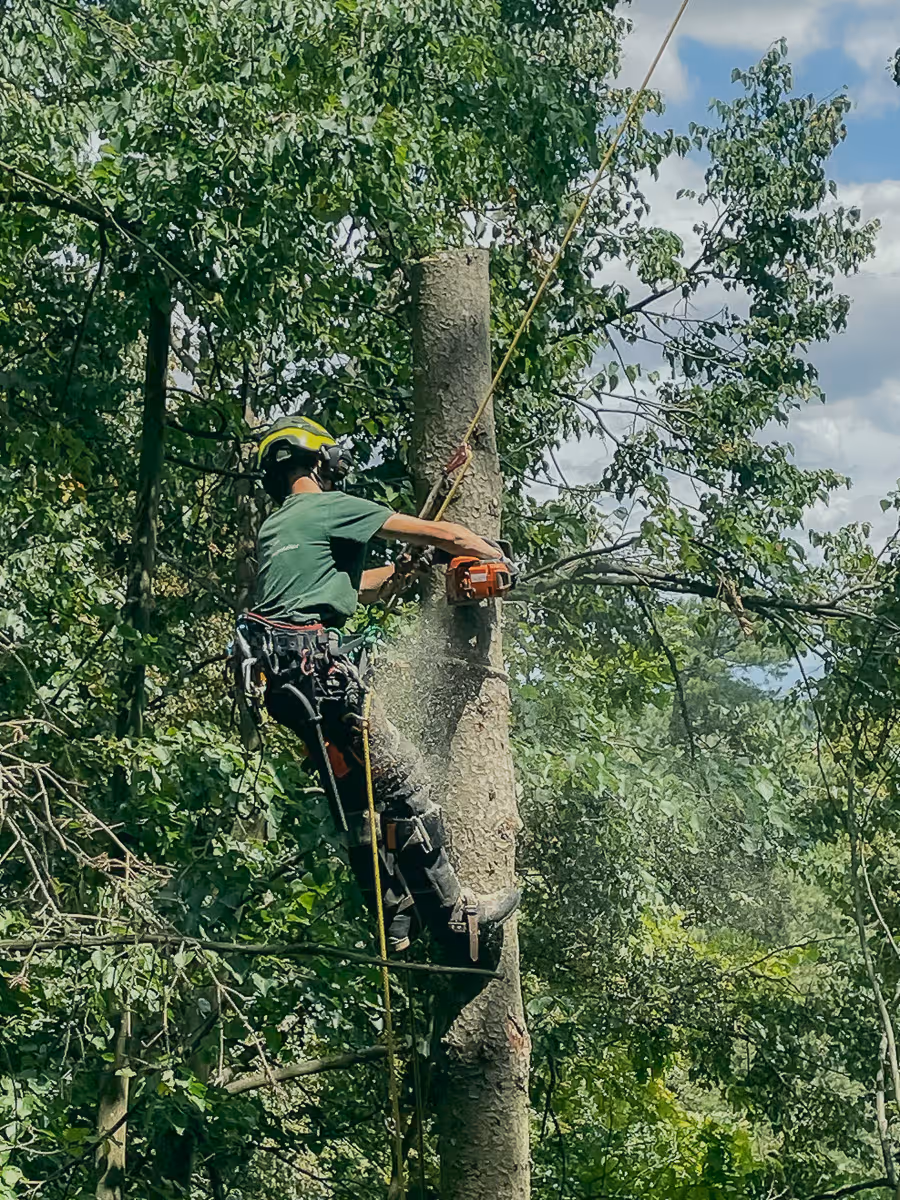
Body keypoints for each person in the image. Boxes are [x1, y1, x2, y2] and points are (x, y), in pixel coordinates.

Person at [234, 414, 520, 960]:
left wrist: (406, 571)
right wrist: (491, 554)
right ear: (319, 460)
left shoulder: (279, 526)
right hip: (321, 674)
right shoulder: (331, 507)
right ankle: (458, 923)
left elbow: (350, 590)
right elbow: (445, 532)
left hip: (287, 686)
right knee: (406, 784)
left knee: (359, 801)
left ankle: (395, 921)